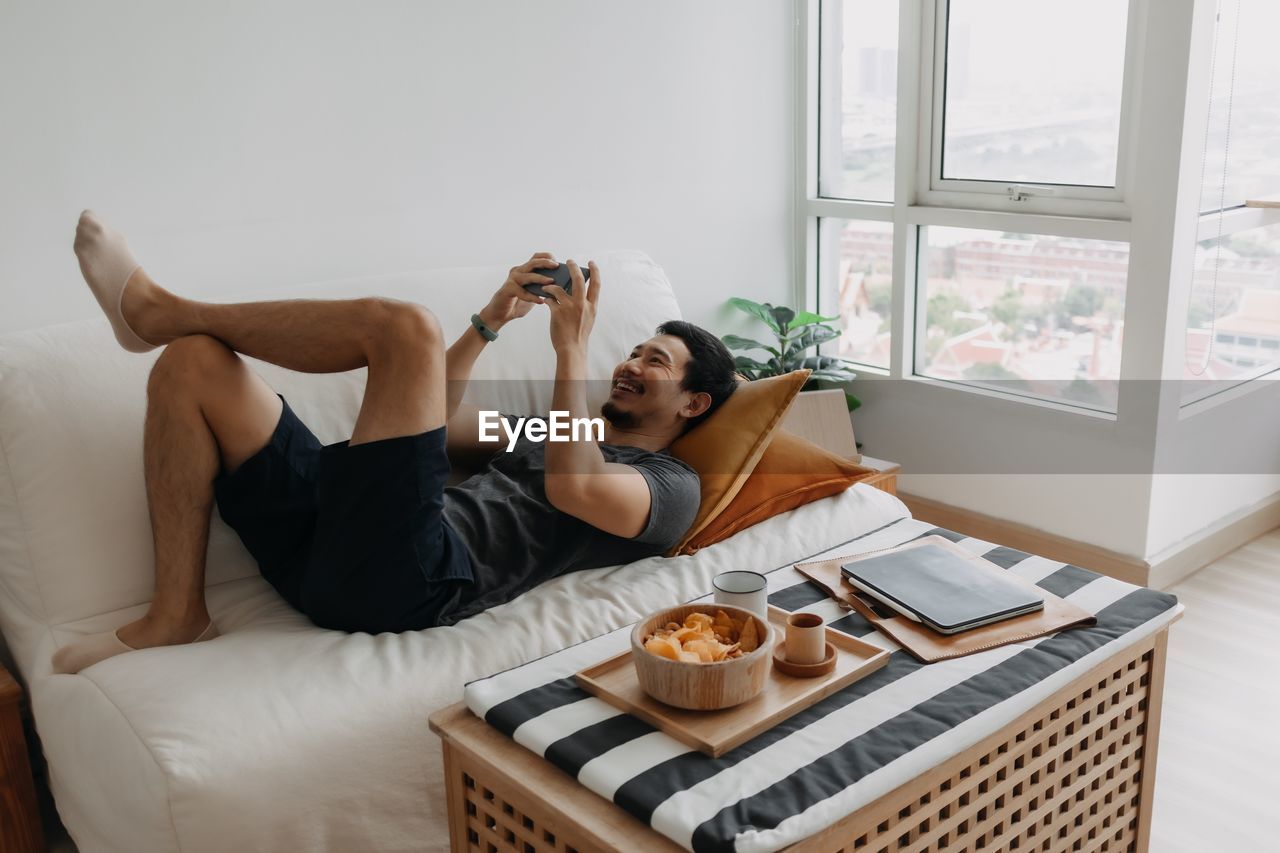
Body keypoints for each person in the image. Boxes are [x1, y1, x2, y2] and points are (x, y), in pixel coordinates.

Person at [52, 211, 737, 674]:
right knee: (191, 364)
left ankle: (158, 312)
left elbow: (575, 488)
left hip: (413, 577)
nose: (631, 364)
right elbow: (433, 412)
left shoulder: (672, 485)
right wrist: (492, 319)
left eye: (656, 361)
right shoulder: (560, 428)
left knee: (404, 327)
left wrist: (571, 349)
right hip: (336, 540)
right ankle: (177, 612)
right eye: (635, 350)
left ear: (694, 401)